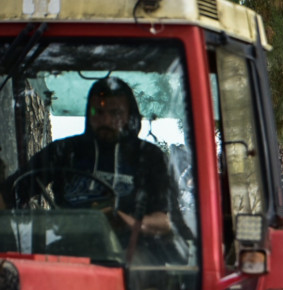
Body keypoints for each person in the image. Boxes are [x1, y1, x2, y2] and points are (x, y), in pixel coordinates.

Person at [2, 76, 176, 250]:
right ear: (89, 113)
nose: (106, 121)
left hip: (132, 255)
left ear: (129, 116)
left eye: (115, 113)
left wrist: (126, 221)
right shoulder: (64, 150)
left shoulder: (150, 156)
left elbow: (165, 222)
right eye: (98, 112)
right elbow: (8, 194)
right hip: (70, 250)